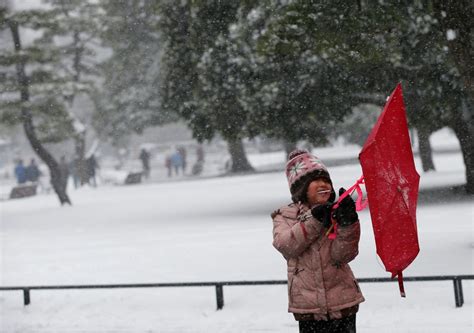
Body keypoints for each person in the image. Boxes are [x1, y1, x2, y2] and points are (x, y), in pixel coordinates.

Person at [271, 149, 364, 333]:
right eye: (316, 181)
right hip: (308, 308)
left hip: (342, 303)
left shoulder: (335, 212)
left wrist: (348, 223)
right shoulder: (285, 216)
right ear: (301, 188)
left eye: (326, 180)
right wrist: (314, 219)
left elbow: (343, 255)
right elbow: (286, 246)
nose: (324, 185)